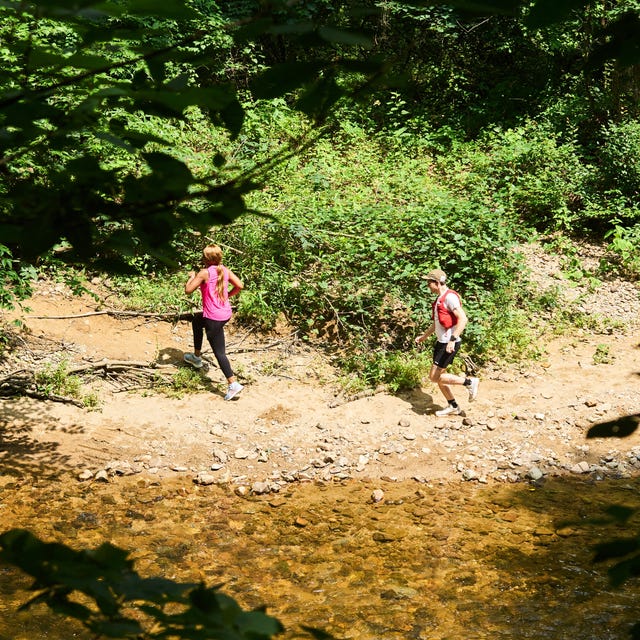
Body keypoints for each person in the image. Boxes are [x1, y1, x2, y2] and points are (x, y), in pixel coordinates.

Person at [183, 244, 244, 401]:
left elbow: (188, 290)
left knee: (220, 352)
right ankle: (196, 357)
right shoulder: (225, 270)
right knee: (197, 321)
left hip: (214, 317)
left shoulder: (203, 273)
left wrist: (191, 277)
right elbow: (240, 285)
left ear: (206, 259)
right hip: (225, 313)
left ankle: (233, 383)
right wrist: (227, 296)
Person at [415, 268, 479, 416]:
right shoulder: (440, 298)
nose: (427, 286)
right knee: (439, 377)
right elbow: (437, 323)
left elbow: (463, 319)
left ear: (437, 283)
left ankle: (469, 383)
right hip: (442, 342)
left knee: (434, 377)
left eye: (429, 283)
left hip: (448, 343)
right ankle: (453, 406)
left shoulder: (450, 298)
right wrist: (424, 336)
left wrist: (452, 339)